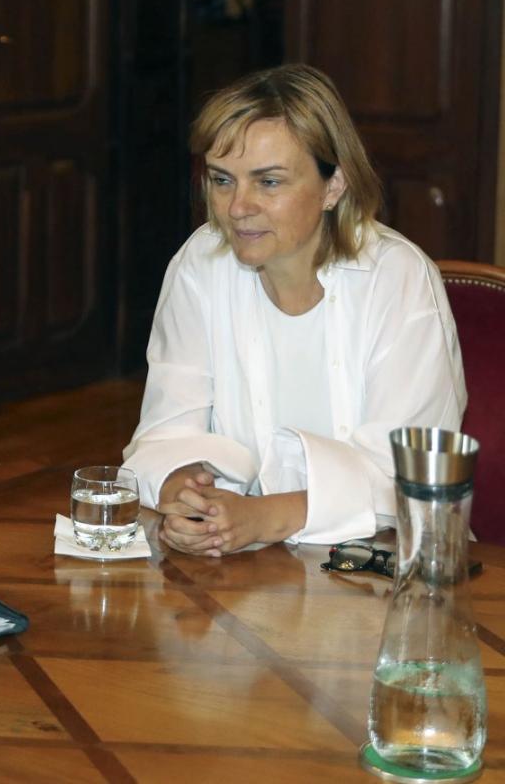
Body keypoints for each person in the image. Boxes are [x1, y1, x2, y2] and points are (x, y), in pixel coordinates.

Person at [122, 64, 465, 556]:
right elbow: (166, 430)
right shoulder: (200, 263)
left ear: (333, 186)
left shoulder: (398, 279)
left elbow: (412, 480)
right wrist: (184, 488)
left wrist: (263, 517)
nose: (238, 207)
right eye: (223, 180)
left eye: (269, 182)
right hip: (235, 569)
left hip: (383, 571)